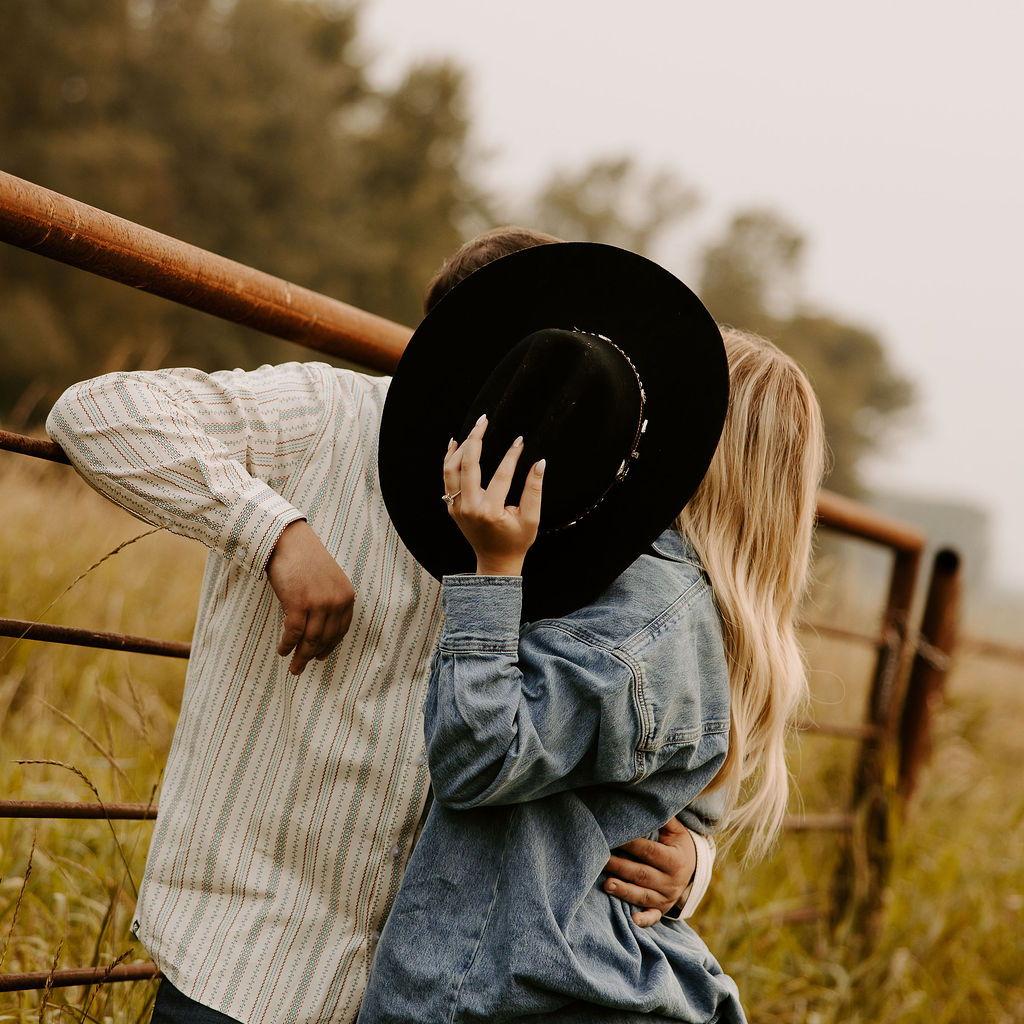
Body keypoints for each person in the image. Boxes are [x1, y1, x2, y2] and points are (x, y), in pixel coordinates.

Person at [45, 228, 714, 1024]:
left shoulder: (583, 516)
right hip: (240, 956)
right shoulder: (327, 413)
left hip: (415, 992)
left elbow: (626, 731)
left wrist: (690, 859)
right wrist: (273, 533)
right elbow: (95, 412)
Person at [356, 242, 825, 1022]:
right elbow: (671, 812)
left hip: (509, 994)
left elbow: (479, 758)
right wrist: (694, 862)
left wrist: (494, 572)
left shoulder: (644, 614)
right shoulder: (726, 628)